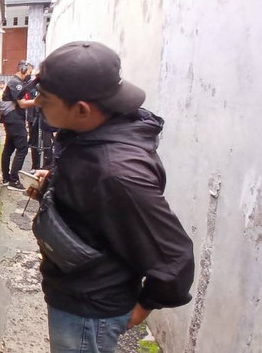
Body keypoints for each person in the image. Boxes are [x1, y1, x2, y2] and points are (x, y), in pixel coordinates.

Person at [29, 41, 195, 353]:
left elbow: (175, 258)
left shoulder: (118, 173)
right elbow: (94, 201)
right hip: (74, 292)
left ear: (81, 109)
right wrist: (53, 183)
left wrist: (145, 305)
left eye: (45, 98)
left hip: (89, 311)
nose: (37, 103)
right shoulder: (91, 133)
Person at [0, 60, 35, 190]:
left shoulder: (17, 83)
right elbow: (21, 104)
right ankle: (13, 180)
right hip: (14, 119)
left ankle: (6, 178)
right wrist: (37, 102)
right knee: (23, 149)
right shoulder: (16, 83)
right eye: (29, 72)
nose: (29, 75)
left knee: (9, 148)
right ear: (24, 70)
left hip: (11, 119)